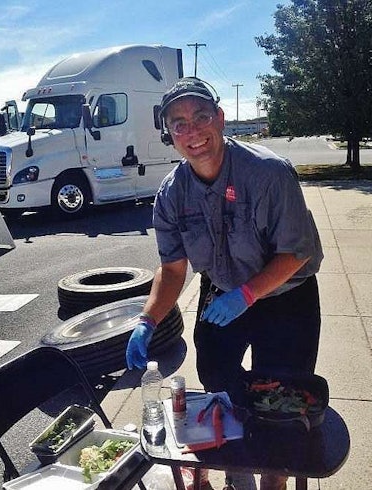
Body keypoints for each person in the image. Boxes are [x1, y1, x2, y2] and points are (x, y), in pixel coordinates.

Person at [125, 77, 323, 490]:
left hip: (286, 294)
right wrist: (147, 320)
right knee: (217, 378)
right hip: (222, 294)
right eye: (179, 123)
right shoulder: (171, 194)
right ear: (169, 134)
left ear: (220, 117)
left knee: (284, 400)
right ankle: (237, 467)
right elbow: (173, 269)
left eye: (201, 116)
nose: (192, 130)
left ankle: (278, 476)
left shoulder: (269, 172)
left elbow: (297, 251)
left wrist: (249, 294)